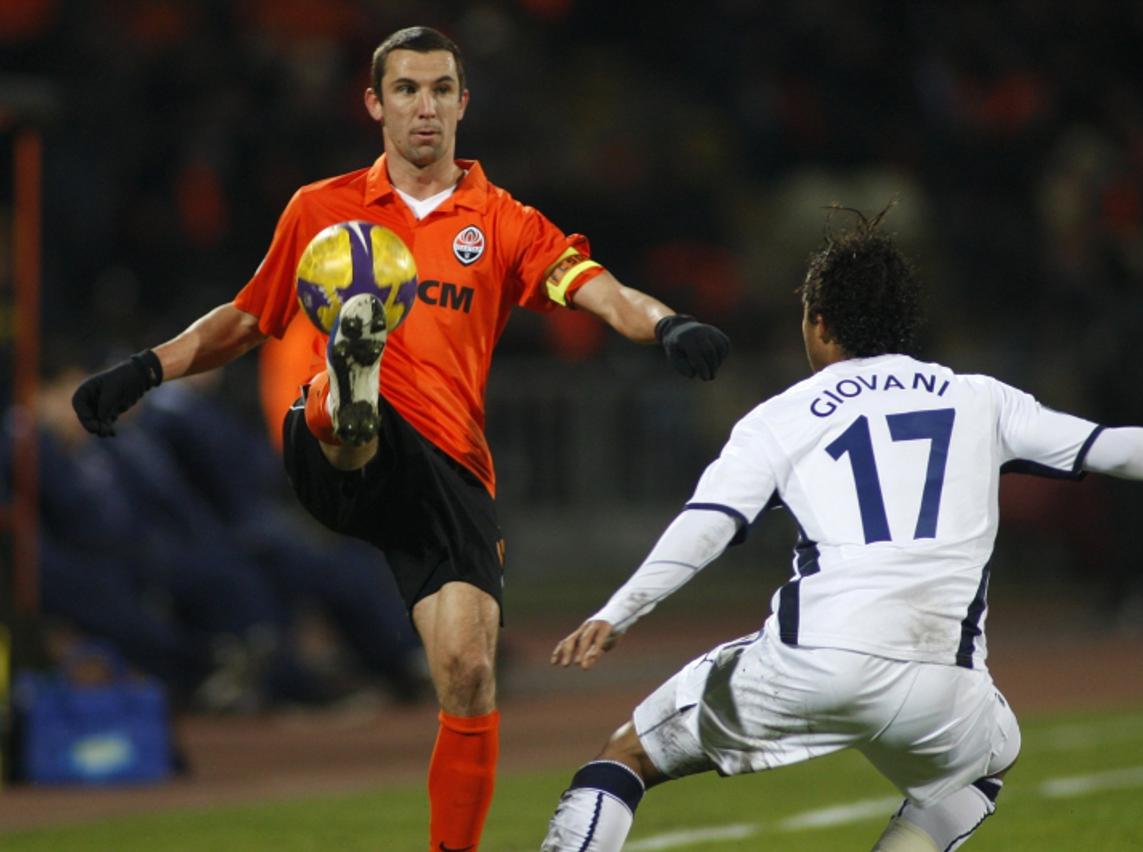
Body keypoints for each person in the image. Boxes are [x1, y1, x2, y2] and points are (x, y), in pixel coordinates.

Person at [70, 25, 729, 851]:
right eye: (408, 90)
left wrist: (668, 324)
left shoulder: (500, 221)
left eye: (442, 89)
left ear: (462, 103)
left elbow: (598, 291)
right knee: (353, 415)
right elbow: (247, 317)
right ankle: (350, 393)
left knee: (468, 674)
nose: (426, 107)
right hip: (332, 451)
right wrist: (144, 369)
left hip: (448, 471)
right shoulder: (321, 209)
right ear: (376, 104)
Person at [539, 210, 1143, 852]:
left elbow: (709, 525)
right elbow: (1111, 447)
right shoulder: (980, 398)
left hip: (809, 665)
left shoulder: (783, 414)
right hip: (942, 685)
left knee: (626, 757)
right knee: (986, 764)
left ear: (819, 324)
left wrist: (618, 610)